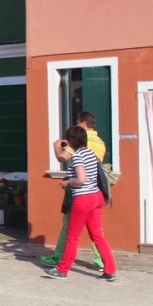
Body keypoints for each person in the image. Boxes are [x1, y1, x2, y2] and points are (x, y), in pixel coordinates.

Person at [44, 125, 118, 281]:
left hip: (83, 199)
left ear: (70, 141)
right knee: (98, 236)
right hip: (96, 197)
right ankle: (110, 270)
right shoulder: (90, 152)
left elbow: (81, 179)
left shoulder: (77, 157)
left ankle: (62, 270)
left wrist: (67, 182)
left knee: (72, 236)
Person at [41, 111, 106, 270]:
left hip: (79, 189)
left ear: (83, 124)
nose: (76, 125)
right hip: (95, 188)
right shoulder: (100, 142)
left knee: (69, 226)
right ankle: (101, 260)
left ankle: (59, 258)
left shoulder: (79, 141)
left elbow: (62, 157)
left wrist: (57, 148)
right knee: (96, 230)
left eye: (77, 122)